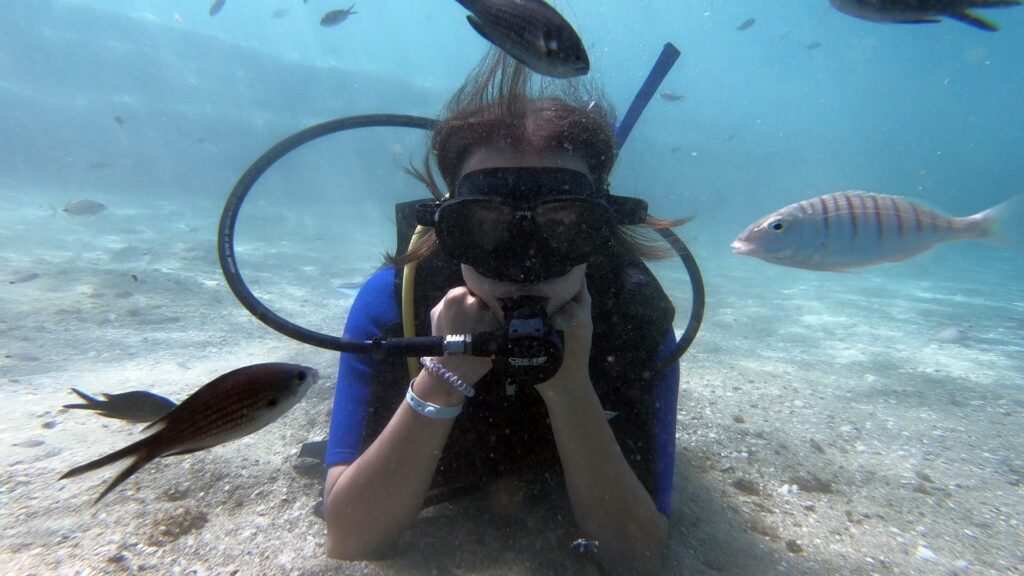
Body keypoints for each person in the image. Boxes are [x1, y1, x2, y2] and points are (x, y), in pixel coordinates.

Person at [323, 49, 683, 574]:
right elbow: (351, 535)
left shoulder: (636, 316)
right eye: (484, 226)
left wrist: (570, 387)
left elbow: (639, 555)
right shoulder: (392, 307)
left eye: (563, 226)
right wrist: (440, 379)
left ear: (598, 231)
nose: (525, 266)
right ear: (450, 228)